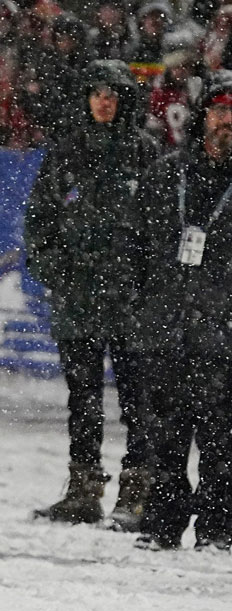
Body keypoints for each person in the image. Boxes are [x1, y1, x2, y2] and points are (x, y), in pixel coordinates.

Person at [25, 60, 158, 530]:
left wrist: (145, 282)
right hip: (78, 297)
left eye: (115, 94)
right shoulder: (65, 153)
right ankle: (84, 491)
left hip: (130, 301)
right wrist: (57, 271)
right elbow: (39, 220)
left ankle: (137, 494)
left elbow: (161, 228)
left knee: (137, 400)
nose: (105, 101)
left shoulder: (146, 153)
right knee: (82, 398)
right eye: (98, 92)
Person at [122, 71, 232, 551]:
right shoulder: (168, 173)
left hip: (224, 331)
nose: (227, 121)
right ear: (203, 115)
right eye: (221, 109)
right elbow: (133, 246)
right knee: (163, 433)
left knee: (222, 439)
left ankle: (218, 526)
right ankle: (163, 522)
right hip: (165, 326)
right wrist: (138, 308)